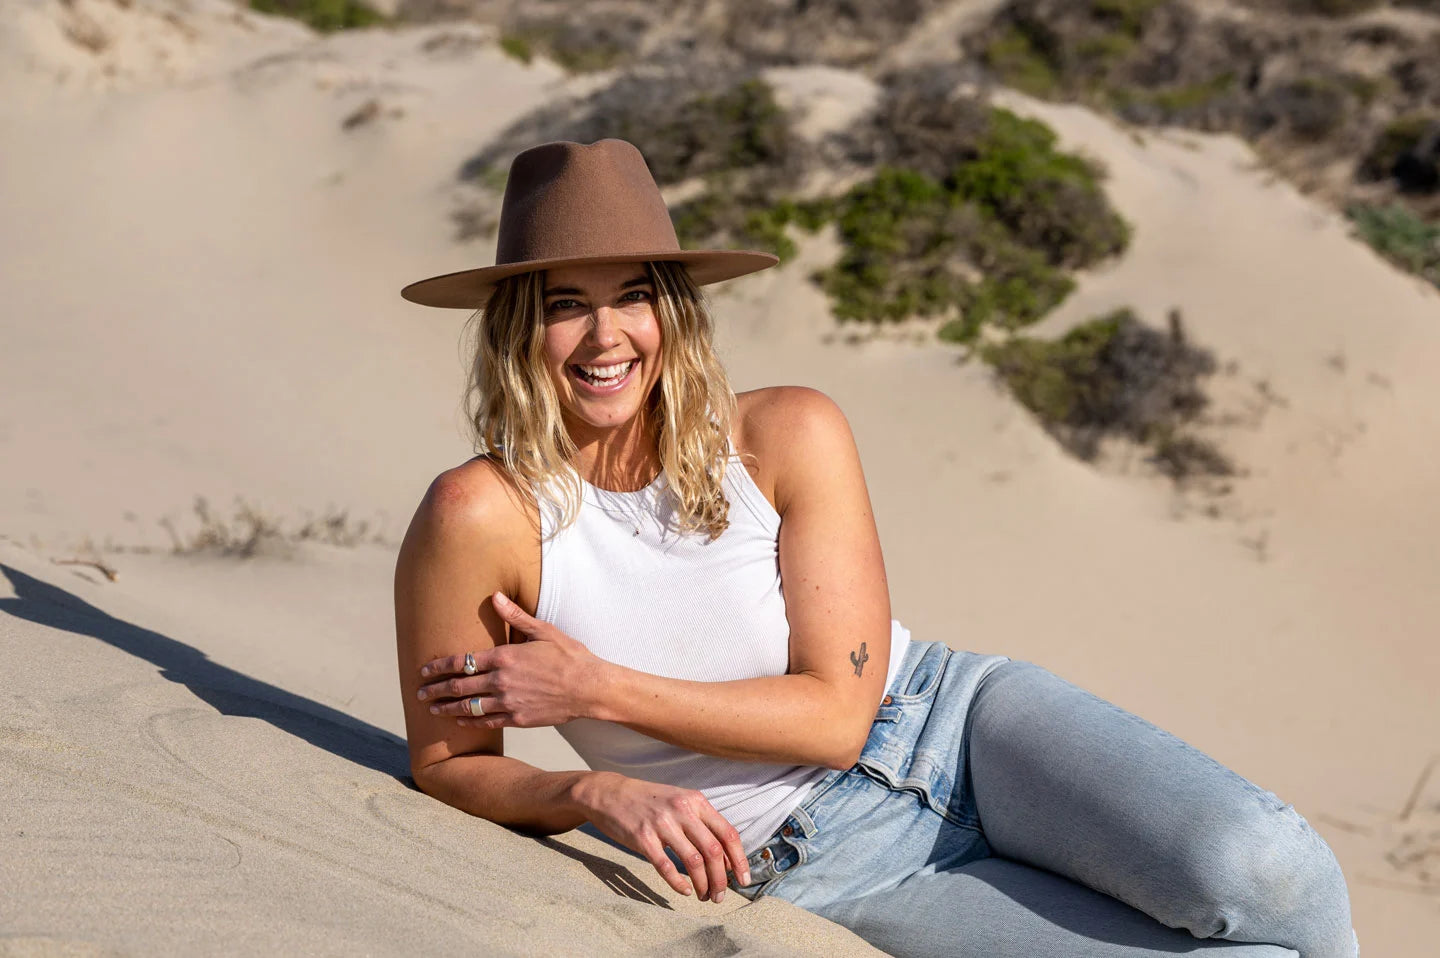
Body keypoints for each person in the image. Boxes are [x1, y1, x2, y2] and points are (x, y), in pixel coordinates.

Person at [393, 138, 1358, 957]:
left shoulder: (786, 434)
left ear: (672, 312)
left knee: (1268, 867)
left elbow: (834, 719)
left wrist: (597, 691)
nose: (606, 336)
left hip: (963, 725)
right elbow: (447, 764)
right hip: (818, 856)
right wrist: (590, 787)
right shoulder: (481, 517)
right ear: (521, 326)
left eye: (633, 296)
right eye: (566, 303)